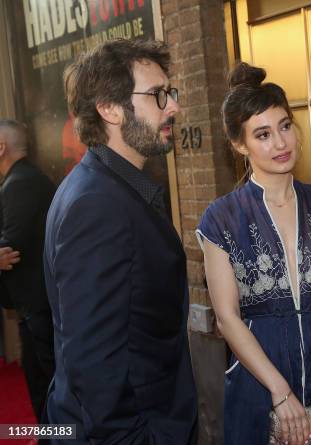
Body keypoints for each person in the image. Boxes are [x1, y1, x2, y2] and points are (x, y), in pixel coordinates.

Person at [196, 63, 311, 445]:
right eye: (263, 134)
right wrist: (280, 391)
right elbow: (226, 317)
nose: (280, 143)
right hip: (260, 370)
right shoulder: (222, 218)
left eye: (285, 126)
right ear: (240, 145)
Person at [43, 39, 197, 444]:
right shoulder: (96, 204)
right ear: (110, 109)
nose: (173, 107)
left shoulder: (111, 188)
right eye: (158, 95)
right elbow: (92, 364)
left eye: (171, 92)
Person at [0, 119, 55, 420]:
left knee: (47, 380)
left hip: (38, 304)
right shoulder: (22, 179)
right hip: (35, 303)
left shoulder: (19, 183)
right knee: (39, 379)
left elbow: (10, 248)